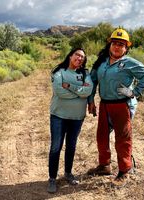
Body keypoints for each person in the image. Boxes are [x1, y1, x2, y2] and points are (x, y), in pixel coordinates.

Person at [86, 28, 144, 187]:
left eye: (121, 44)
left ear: (126, 48)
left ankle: (124, 171)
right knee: (101, 137)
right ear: (110, 45)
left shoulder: (129, 63)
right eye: (115, 43)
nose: (117, 47)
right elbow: (93, 80)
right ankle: (104, 166)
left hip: (122, 105)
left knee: (122, 140)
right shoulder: (101, 63)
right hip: (105, 104)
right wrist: (91, 101)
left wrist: (134, 92)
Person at [47, 48, 93, 193]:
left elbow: (88, 90)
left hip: (77, 117)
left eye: (82, 57)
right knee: (56, 147)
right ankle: (52, 178)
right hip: (59, 116)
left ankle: (68, 173)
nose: (79, 58)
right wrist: (80, 95)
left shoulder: (85, 74)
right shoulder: (59, 72)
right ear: (70, 56)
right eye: (77, 55)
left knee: (71, 146)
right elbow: (60, 92)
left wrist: (71, 87)